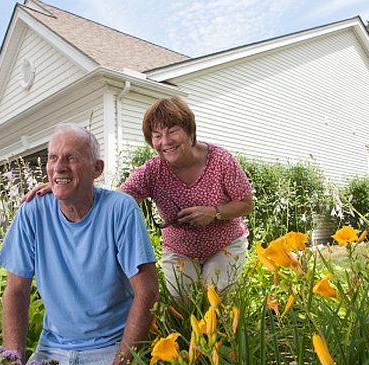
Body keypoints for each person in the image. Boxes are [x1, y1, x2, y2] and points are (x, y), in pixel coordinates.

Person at [25, 96, 253, 295]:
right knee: (182, 305)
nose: (165, 141)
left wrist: (213, 213)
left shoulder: (221, 160)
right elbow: (117, 200)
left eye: (173, 131)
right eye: (157, 135)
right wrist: (68, 184)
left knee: (216, 297)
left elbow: (246, 203)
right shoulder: (153, 171)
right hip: (180, 250)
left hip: (224, 245)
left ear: (190, 131)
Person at [0, 124, 158, 365]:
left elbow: (147, 292)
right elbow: (16, 291)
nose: (59, 167)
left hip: (109, 350)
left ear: (97, 168)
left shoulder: (120, 210)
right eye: (52, 158)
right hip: (51, 353)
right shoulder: (32, 212)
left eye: (71, 158)